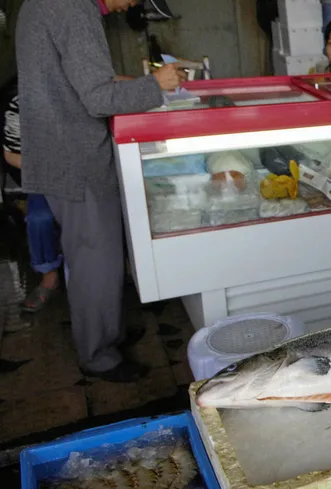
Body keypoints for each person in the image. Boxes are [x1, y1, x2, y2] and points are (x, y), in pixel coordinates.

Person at [16, 0, 185, 383]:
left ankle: (109, 333)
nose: (132, 4)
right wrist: (154, 86)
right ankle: (99, 356)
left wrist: (124, 82)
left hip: (56, 150)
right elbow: (97, 99)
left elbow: (68, 79)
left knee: (97, 255)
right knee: (96, 261)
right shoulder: (74, 9)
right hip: (76, 157)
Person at [2, 82, 63, 313]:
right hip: (44, 176)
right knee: (39, 218)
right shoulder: (20, 103)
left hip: (86, 174)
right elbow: (11, 155)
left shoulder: (82, 88)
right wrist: (50, 172)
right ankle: (49, 276)